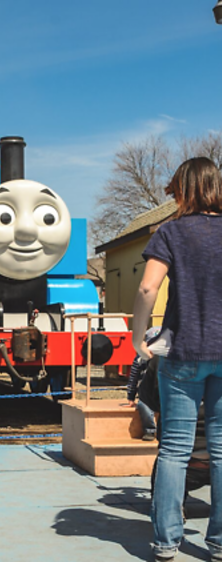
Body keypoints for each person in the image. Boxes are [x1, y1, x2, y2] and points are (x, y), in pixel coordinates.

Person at [131, 157, 222, 562]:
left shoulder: (170, 232)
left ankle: (167, 543)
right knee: (221, 450)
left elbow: (148, 288)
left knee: (174, 451)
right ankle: (218, 543)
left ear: (182, 190)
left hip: (182, 352)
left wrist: (138, 340)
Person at [125, 326, 161, 441]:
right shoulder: (140, 359)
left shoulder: (168, 359)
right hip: (147, 392)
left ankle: (164, 430)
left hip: (163, 391)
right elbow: (133, 377)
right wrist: (131, 397)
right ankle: (149, 430)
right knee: (143, 405)